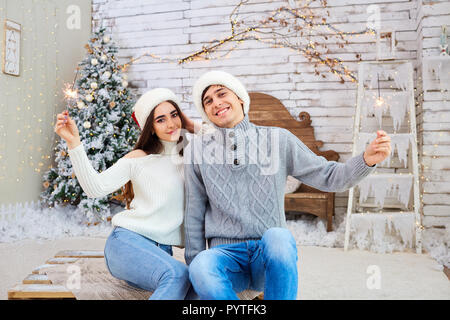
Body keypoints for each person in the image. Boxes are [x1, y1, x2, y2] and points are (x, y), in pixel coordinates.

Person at [183, 70, 392, 300]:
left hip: (269, 253)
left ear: (240, 98)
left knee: (279, 237)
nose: (216, 103)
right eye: (208, 101)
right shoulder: (196, 151)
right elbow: (194, 212)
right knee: (201, 265)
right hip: (225, 257)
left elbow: (329, 176)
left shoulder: (279, 139)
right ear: (206, 113)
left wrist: (367, 159)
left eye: (222, 94)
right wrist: (194, 272)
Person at [54, 88, 199, 300]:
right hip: (127, 243)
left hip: (160, 253)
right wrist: (74, 143)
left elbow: (229, 142)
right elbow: (95, 188)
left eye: (174, 115)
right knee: (177, 275)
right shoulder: (138, 158)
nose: (171, 124)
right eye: (160, 119)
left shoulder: (192, 156)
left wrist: (193, 125)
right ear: (150, 127)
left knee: (196, 286)